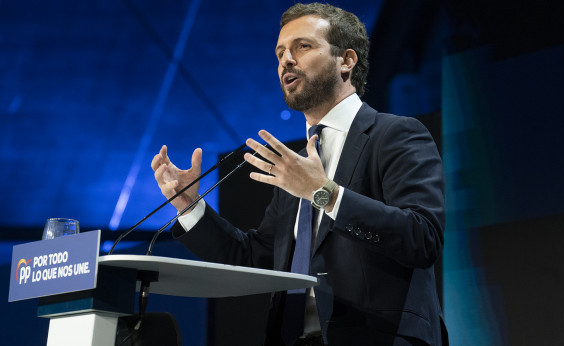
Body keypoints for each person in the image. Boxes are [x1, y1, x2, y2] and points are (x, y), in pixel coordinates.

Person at [151, 3, 447, 345]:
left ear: (346, 61)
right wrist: (190, 206)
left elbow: (422, 237)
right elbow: (255, 259)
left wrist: (324, 192)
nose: (285, 61)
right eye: (280, 53)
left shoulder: (394, 134)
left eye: (302, 47)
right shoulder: (300, 164)